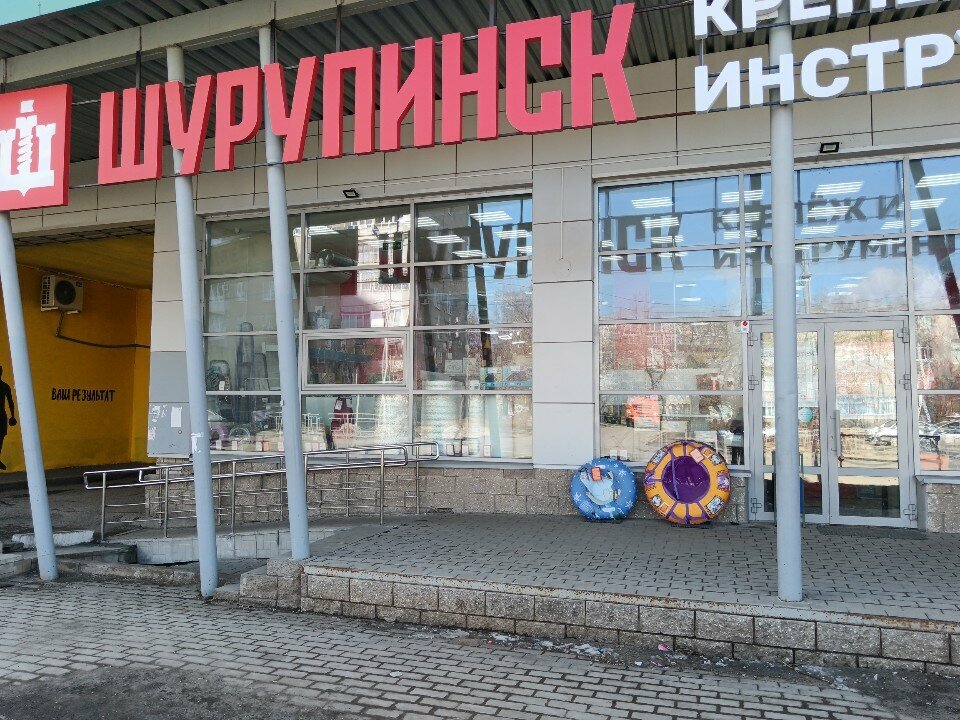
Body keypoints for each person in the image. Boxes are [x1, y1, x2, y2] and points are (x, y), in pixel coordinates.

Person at [0, 365, 17, 471]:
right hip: (2, 415)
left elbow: (10, 402)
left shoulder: (5, 386)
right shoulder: (5, 386)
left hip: (1, 415)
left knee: (1, 437)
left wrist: (12, 416)